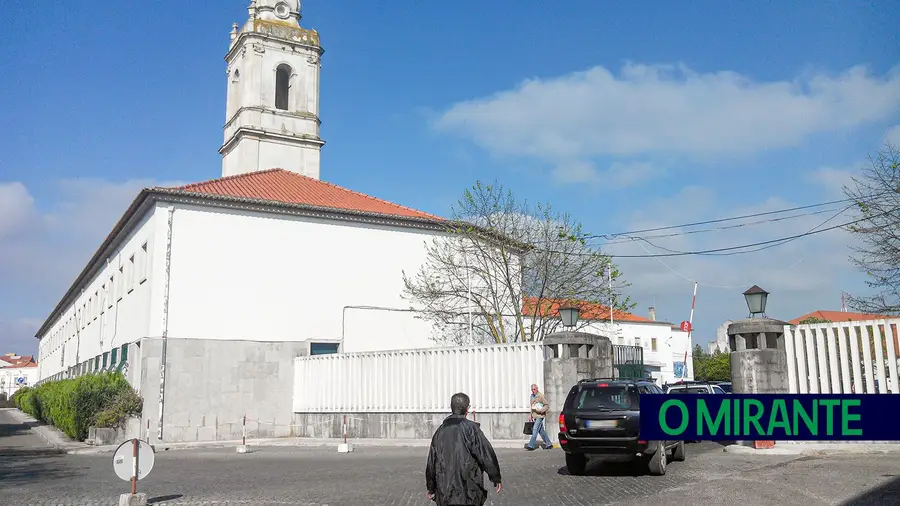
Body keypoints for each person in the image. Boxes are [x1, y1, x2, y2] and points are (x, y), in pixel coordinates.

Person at [426, 392, 502, 506]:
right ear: (467, 409)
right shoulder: (471, 429)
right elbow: (485, 454)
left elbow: (431, 462)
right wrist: (495, 477)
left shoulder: (440, 431)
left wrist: (431, 488)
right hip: (469, 490)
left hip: (445, 490)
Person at [525, 383, 552, 450]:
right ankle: (549, 444)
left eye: (534, 389)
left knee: (535, 429)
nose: (533, 391)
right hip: (534, 416)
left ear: (537, 389)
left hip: (540, 416)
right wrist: (530, 415)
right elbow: (532, 407)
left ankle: (531, 445)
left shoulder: (540, 396)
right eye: (532, 389)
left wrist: (541, 410)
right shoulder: (531, 396)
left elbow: (546, 405)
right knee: (541, 431)